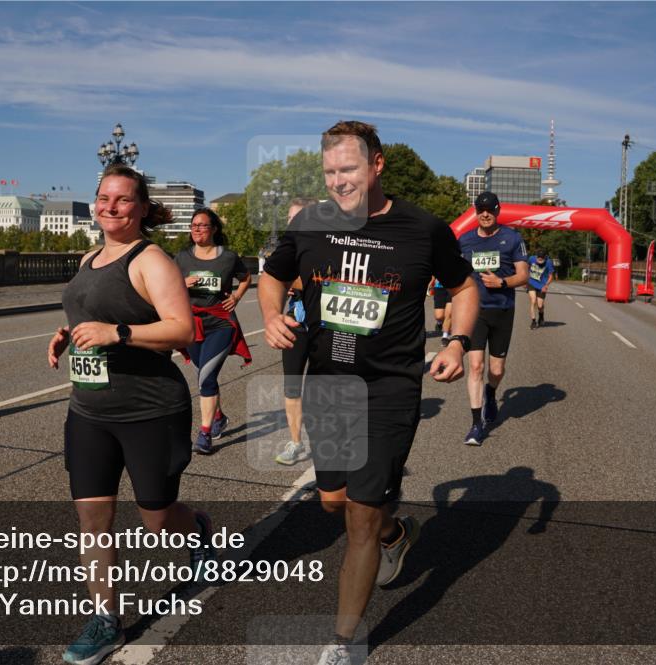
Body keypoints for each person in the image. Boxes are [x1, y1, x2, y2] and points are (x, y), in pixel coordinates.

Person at [259, 120, 478, 665]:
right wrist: (271, 315)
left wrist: (456, 341)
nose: (339, 181)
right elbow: (272, 274)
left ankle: (343, 643)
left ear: (377, 165)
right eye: (330, 171)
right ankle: (395, 533)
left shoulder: (423, 228)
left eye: (349, 169)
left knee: (359, 515)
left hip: (389, 389)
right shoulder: (310, 223)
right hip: (327, 385)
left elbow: (464, 286)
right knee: (333, 502)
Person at [48, 164, 215, 665]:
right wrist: (68, 333)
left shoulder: (151, 259)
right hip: (89, 409)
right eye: (104, 197)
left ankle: (197, 528)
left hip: (150, 410)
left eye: (122, 199)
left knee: (157, 520)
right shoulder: (90, 256)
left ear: (142, 208)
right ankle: (106, 620)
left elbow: (182, 330)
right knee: (92, 519)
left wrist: (116, 333)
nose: (110, 207)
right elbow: (90, 313)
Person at [175, 208, 252, 455]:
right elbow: (166, 285)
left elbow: (246, 278)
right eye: (194, 225)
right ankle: (218, 417)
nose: (197, 229)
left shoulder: (228, 257)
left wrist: (236, 297)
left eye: (203, 225)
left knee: (206, 378)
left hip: (221, 323)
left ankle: (205, 434)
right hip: (192, 324)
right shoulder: (182, 258)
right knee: (203, 375)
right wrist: (181, 283)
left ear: (214, 229)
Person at [457, 191, 529, 446]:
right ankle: (476, 424)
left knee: (496, 370)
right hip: (475, 311)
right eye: (480, 209)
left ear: (497, 211)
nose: (485, 214)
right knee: (476, 366)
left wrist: (502, 282)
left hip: (502, 310)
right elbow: (457, 272)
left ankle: (491, 391)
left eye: (490, 210)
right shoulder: (465, 240)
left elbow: (524, 275)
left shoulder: (512, 238)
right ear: (476, 212)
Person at [275, 196, 320, 466]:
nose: (291, 223)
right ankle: (295, 442)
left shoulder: (327, 246)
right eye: (290, 218)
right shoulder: (286, 250)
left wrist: (293, 281)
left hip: (324, 327)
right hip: (296, 324)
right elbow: (273, 280)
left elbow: (314, 279)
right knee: (292, 386)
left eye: (297, 218)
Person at [527, 248, 556, 328]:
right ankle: (533, 321)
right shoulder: (531, 259)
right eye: (538, 259)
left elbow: (551, 276)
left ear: (545, 257)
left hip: (542, 285)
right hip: (531, 282)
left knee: (540, 306)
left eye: (541, 260)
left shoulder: (549, 262)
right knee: (533, 301)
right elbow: (526, 268)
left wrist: (546, 285)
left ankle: (541, 316)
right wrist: (525, 280)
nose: (540, 261)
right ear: (536, 257)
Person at [429, 277, 454, 344]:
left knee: (449, 313)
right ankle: (439, 322)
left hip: (454, 287)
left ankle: (445, 336)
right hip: (439, 286)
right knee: (439, 316)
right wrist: (431, 282)